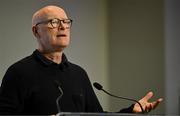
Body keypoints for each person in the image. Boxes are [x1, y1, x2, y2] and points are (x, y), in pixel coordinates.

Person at [0, 5, 163, 115]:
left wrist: (131, 111)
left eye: (66, 22)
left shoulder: (78, 73)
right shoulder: (18, 73)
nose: (63, 27)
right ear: (36, 31)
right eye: (54, 22)